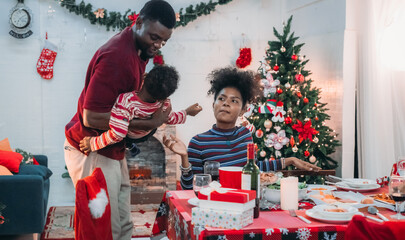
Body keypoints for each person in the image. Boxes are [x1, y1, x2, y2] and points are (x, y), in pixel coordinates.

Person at [64, 1, 176, 239]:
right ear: (138, 23)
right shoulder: (118, 57)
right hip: (92, 150)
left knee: (124, 225)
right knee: (105, 230)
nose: (158, 45)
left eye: (164, 41)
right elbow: (91, 116)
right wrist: (148, 123)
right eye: (154, 37)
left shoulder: (138, 49)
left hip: (111, 148)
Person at [163, 67, 321, 190]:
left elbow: (253, 168)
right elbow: (190, 187)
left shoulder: (245, 135)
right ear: (213, 105)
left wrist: (290, 160)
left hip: (244, 203)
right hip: (215, 207)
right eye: (221, 99)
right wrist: (184, 159)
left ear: (244, 110)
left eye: (234, 101)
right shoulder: (198, 142)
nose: (226, 103)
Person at [79, 65, 202, 155]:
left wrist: (93, 143)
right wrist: (187, 112)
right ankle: (131, 146)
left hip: (130, 135)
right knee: (129, 133)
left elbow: (118, 133)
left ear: (145, 76)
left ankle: (129, 144)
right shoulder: (164, 103)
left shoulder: (126, 100)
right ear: (165, 96)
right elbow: (170, 118)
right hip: (147, 134)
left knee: (120, 129)